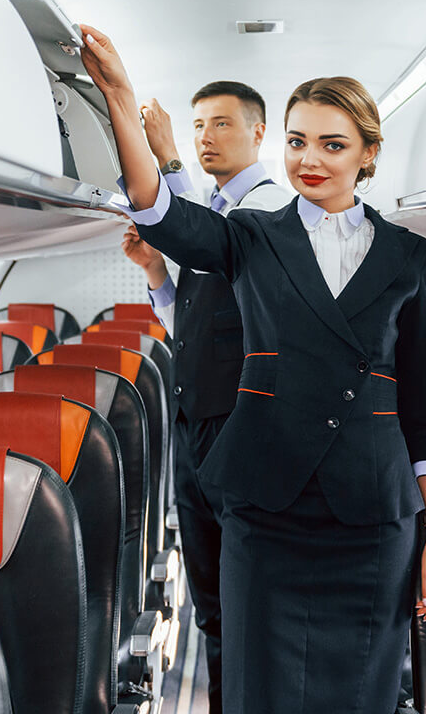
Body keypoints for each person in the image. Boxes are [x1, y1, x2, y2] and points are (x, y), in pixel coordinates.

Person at [81, 23, 426, 714]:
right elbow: (160, 212)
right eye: (297, 140)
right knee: (257, 690)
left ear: (369, 153)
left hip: (372, 519)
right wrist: (119, 96)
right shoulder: (253, 237)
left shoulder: (411, 258)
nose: (310, 160)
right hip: (268, 514)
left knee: (361, 696)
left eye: (333, 144)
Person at [121, 82, 294, 714]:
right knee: (215, 606)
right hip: (199, 434)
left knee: (246, 608)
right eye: (197, 126)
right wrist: (156, 278)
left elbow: (197, 231)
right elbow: (198, 327)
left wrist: (166, 159)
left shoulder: (271, 214)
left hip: (245, 434)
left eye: (221, 124)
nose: (205, 137)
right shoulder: (219, 211)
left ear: (258, 133)